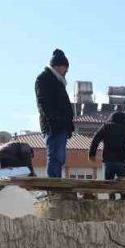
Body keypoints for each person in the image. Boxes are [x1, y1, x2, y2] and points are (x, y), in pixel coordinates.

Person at [34, 49, 75, 178]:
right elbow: (43, 103)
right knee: (55, 156)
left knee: (60, 157)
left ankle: (56, 181)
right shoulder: (44, 79)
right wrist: (54, 120)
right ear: (58, 66)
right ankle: (53, 184)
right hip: (52, 125)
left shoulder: (58, 81)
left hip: (61, 125)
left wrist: (68, 124)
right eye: (65, 68)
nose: (66, 72)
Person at [87, 110, 125, 180]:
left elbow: (96, 139)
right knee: (124, 186)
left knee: (108, 184)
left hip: (108, 161)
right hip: (123, 161)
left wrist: (92, 154)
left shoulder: (106, 126)